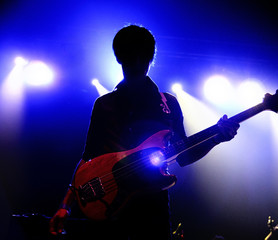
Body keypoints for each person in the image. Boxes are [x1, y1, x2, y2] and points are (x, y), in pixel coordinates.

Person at [49, 24, 240, 240]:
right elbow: (88, 157)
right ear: (120, 58)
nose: (137, 62)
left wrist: (216, 138)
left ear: (149, 59)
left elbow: (184, 155)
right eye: (131, 56)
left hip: (152, 206)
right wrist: (66, 205)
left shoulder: (167, 103)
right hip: (110, 206)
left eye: (142, 56)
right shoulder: (105, 104)